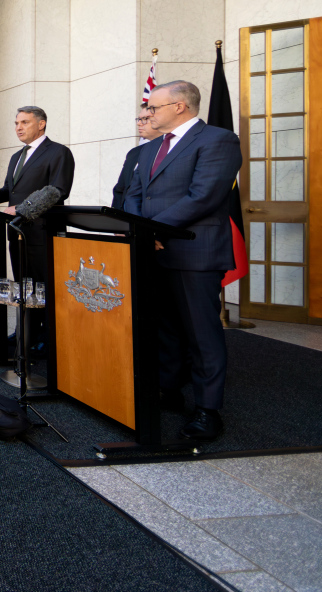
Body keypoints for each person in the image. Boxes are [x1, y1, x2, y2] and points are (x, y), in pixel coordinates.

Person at [123, 80, 242, 442]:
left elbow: (203, 196)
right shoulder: (148, 150)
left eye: (154, 108)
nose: (148, 114)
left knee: (200, 332)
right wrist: (143, 231)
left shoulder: (217, 140)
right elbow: (133, 195)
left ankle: (208, 410)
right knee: (164, 328)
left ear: (179, 107)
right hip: (153, 250)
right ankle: (168, 390)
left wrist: (154, 230)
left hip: (194, 252)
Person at [0, 106, 75, 355]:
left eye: (24, 122)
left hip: (43, 232)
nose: (18, 127)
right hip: (18, 232)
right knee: (25, 285)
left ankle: (49, 337)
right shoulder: (17, 156)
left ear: (41, 124)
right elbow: (11, 190)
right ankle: (26, 331)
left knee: (44, 287)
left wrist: (22, 208)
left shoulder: (59, 152)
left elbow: (58, 190)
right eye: (16, 123)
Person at [111, 105, 159, 209]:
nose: (139, 123)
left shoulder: (173, 150)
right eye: (139, 119)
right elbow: (120, 189)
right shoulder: (134, 153)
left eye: (145, 119)